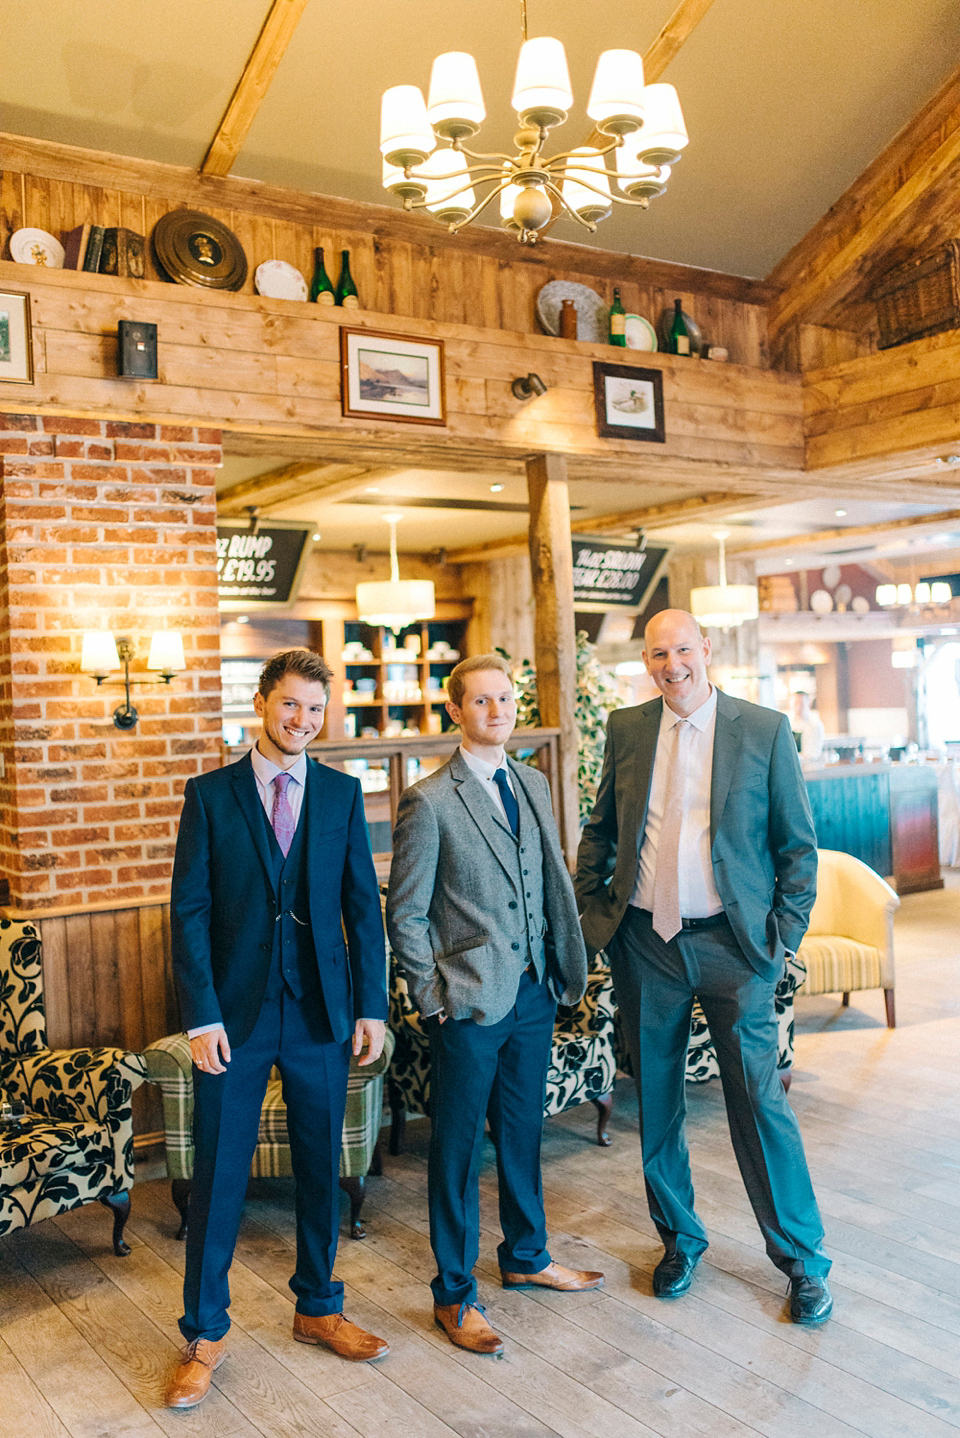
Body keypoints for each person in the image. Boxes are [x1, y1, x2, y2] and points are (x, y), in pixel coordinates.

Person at [575, 610, 832, 1325]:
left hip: (735, 946)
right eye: (659, 654)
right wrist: (597, 911)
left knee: (758, 1100)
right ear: (648, 662)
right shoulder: (627, 730)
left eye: (683, 649)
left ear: (706, 650)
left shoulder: (762, 729)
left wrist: (779, 937)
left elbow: (798, 850)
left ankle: (804, 1262)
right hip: (645, 946)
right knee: (656, 1100)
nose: (672, 665)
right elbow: (601, 829)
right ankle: (680, 1240)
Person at [165, 649, 390, 1410]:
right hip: (234, 1016)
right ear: (263, 703)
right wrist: (200, 1017)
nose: (303, 721)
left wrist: (371, 1006)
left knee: (320, 1167)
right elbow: (189, 913)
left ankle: (318, 1308)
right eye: (291, 705)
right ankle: (203, 1334)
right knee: (219, 1177)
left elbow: (363, 906)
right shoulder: (210, 795)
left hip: (323, 1012)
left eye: (316, 710)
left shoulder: (341, 793)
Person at [387, 654, 603, 1356]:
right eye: (481, 701)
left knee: (522, 1133)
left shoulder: (533, 781)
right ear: (456, 711)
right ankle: (454, 1293)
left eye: (505, 698)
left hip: (535, 991)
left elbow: (547, 878)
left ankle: (526, 1255)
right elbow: (407, 913)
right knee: (454, 1150)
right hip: (469, 1004)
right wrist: (433, 998)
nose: (497, 710)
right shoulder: (429, 799)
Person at [790, 690, 825, 763]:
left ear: (809, 704)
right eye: (795, 704)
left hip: (810, 767)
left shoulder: (815, 725)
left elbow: (812, 754)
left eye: (801, 704)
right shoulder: (789, 723)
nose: (798, 707)